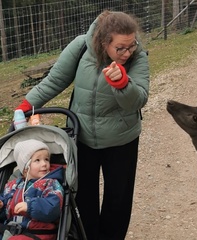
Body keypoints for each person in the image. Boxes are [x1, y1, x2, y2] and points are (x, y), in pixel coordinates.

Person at [16, 10, 149, 240]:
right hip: (82, 137)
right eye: (120, 48)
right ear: (104, 42)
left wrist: (122, 83)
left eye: (131, 45)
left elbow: (138, 100)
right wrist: (26, 105)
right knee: (82, 198)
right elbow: (55, 79)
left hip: (122, 139)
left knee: (118, 200)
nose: (127, 53)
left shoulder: (137, 57)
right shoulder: (81, 47)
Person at [0, 139, 64, 240]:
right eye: (37, 160)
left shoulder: (50, 184)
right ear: (25, 167)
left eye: (46, 159)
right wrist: (1, 206)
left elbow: (53, 208)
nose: (44, 164)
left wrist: (30, 206)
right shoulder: (12, 186)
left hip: (38, 233)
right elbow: (6, 213)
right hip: (11, 231)